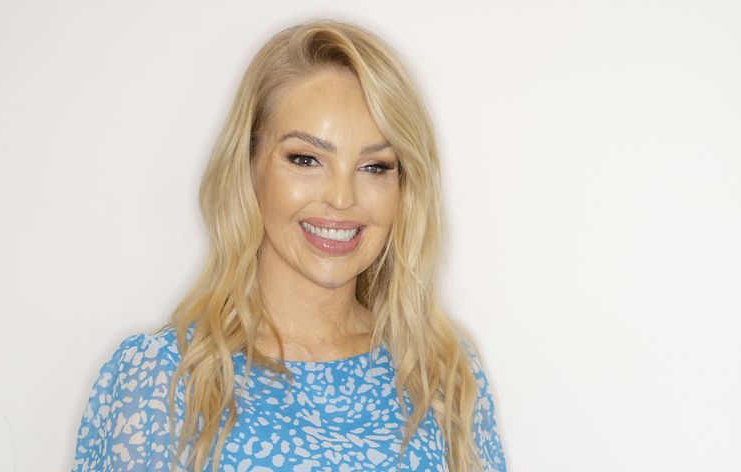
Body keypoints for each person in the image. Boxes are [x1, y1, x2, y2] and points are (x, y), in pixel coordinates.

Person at [71, 18, 506, 472]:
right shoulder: (165, 378)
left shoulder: (442, 372)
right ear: (248, 167)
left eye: (374, 166)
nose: (342, 197)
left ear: (404, 187)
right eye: (305, 159)